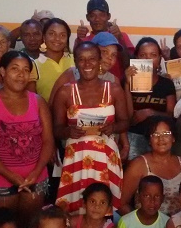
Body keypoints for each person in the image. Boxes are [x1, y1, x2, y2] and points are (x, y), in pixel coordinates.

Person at [0, 50, 54, 228]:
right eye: (15, 69)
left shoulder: (38, 101)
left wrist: (37, 171)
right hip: (0, 177)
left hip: (35, 176)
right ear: (2, 71)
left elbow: (48, 140)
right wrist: (10, 175)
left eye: (26, 70)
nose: (21, 74)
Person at [53, 42, 129, 215]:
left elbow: (125, 122)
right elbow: (56, 129)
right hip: (76, 159)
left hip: (106, 158)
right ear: (75, 62)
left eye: (92, 59)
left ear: (99, 60)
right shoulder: (65, 92)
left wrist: (113, 127)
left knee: (105, 210)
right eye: (81, 59)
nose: (87, 64)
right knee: (75, 212)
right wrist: (68, 131)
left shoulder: (114, 89)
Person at [120, 116, 181, 215]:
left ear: (173, 138)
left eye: (166, 134)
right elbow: (121, 203)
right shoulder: (138, 165)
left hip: (180, 223)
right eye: (155, 134)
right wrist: (140, 221)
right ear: (149, 140)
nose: (161, 139)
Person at [126, 37, 176, 160]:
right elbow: (127, 118)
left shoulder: (166, 83)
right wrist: (127, 84)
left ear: (159, 59)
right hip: (134, 137)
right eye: (143, 55)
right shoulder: (127, 82)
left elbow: (171, 115)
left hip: (160, 139)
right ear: (136, 58)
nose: (147, 59)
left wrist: (150, 112)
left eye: (153, 55)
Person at [75, 0, 135, 80]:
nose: (97, 19)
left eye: (102, 15)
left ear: (108, 16)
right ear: (87, 17)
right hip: (92, 86)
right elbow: (77, 67)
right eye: (93, 15)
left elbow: (131, 64)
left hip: (119, 85)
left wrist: (120, 39)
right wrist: (79, 40)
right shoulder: (84, 41)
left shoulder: (121, 36)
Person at [35, 18, 74, 103]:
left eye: (62, 35)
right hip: (47, 110)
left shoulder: (76, 60)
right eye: (52, 34)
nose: (57, 39)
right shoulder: (35, 65)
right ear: (44, 37)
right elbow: (32, 99)